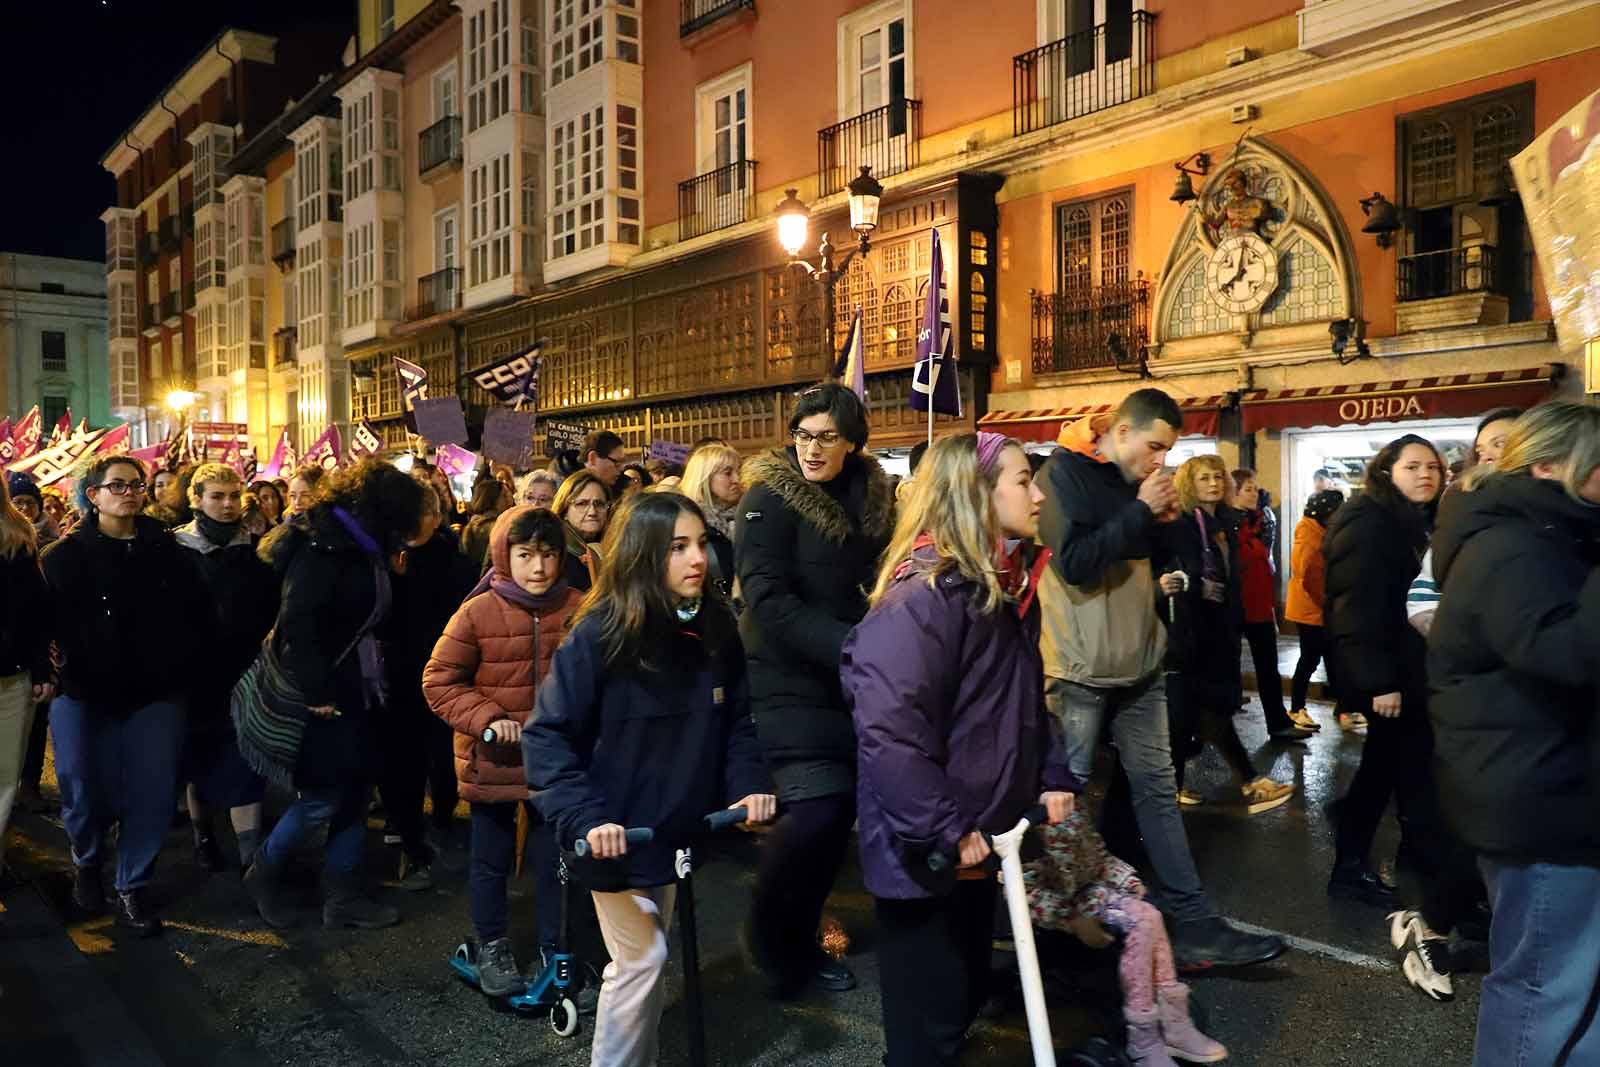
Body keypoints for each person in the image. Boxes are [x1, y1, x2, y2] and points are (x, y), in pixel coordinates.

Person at [842, 433, 1075, 1066]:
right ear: (976, 493)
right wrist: (945, 828)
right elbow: (892, 732)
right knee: (927, 1036)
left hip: (976, 841)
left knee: (960, 1005)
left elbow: (1021, 699)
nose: (1039, 492)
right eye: (1024, 479)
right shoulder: (921, 600)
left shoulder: (1002, 584)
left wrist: (1051, 772)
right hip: (930, 853)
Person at [524, 491, 775, 1067]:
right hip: (612, 831)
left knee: (646, 965)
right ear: (642, 556)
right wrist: (588, 818)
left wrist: (747, 785)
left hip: (673, 827)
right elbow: (547, 736)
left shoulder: (715, 627)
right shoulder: (598, 635)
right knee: (641, 961)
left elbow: (739, 721)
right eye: (678, 548)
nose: (697, 560)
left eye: (701, 544)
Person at [1037, 387, 1284, 970]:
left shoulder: (1141, 486)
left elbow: (1170, 560)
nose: (1159, 461)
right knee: (1061, 801)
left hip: (1143, 663)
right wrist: (1142, 511)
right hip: (1080, 668)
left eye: (1167, 451)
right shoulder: (1063, 473)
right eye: (1153, 447)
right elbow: (1074, 561)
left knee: (1158, 793)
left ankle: (1193, 922)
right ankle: (1058, 925)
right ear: (1120, 431)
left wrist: (1167, 525)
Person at [1428, 403, 1600, 1059]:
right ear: (1550, 466)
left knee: (1572, 985)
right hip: (1539, 800)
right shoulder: (1512, 546)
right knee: (1541, 988)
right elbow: (1567, 652)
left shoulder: (1555, 534)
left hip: (1557, 787)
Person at [738, 382, 895, 997]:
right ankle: (772, 935)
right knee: (816, 812)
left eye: (826, 436)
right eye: (802, 434)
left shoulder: (874, 499)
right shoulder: (769, 499)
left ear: (853, 442)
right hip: (789, 679)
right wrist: (851, 646)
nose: (811, 447)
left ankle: (800, 935)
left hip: (855, 684)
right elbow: (767, 598)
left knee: (836, 823)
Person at [240, 459, 429, 931]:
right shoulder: (324, 547)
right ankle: (264, 871)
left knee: (355, 792)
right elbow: (300, 623)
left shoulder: (361, 545)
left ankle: (343, 896)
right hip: (328, 692)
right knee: (324, 796)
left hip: (359, 686)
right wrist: (317, 691)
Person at [41, 456, 209, 935]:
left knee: (152, 793)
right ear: (93, 496)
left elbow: (195, 617)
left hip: (155, 694)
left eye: (136, 485)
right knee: (81, 788)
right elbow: (42, 622)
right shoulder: (62, 556)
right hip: (83, 692)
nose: (130, 493)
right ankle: (87, 865)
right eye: (117, 485)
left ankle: (132, 884)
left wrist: (182, 667)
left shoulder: (169, 552)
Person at [424, 506, 585, 996]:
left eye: (549, 555)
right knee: (489, 861)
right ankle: (491, 943)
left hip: (554, 767)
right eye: (525, 556)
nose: (538, 568)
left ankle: (555, 946)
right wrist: (488, 719)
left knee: (555, 861)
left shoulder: (579, 607)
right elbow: (440, 681)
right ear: (503, 555)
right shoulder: (476, 611)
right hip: (493, 763)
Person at [1321, 435, 1455, 915]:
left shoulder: (1412, 521)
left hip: (1410, 672)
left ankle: (1393, 862)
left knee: (1399, 770)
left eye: (1433, 468)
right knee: (1385, 772)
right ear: (1386, 472)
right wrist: (1379, 682)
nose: (1425, 475)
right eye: (1413, 466)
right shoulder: (1371, 523)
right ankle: (1350, 868)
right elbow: (1356, 609)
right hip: (1391, 677)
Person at [1025, 808, 1229, 1066]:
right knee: (1142, 924)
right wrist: (1073, 918)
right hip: (1067, 910)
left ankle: (1174, 1021)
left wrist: (1129, 881)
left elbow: (1099, 858)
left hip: (1098, 897)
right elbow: (1022, 887)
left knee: (1151, 917)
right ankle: (1142, 1040)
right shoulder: (1024, 823)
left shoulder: (1069, 806)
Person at [1163, 455, 1296, 813]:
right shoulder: (1182, 524)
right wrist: (1195, 589)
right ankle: (1249, 781)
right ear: (1189, 483)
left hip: (1218, 630)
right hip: (1193, 633)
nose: (1213, 483)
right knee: (1203, 713)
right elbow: (1172, 575)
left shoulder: (1222, 523)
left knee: (1203, 714)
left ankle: (1180, 788)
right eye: (1204, 478)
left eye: (1218, 477)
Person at [172, 464, 279, 873]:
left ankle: (252, 860)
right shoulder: (176, 549)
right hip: (194, 678)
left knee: (246, 762)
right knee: (198, 762)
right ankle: (203, 837)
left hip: (245, 675)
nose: (228, 505)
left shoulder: (256, 549)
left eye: (234, 496)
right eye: (217, 496)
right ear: (196, 499)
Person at [380, 482, 478, 889]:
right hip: (396, 677)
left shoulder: (454, 561)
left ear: (436, 517)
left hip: (442, 674)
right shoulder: (382, 557)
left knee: (441, 756)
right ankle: (408, 835)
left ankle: (440, 822)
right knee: (401, 761)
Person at [1405, 407, 1522, 638]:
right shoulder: (1464, 513)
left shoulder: (1562, 511)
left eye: (1499, 444)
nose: (1486, 457)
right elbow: (1424, 594)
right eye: (1480, 451)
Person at [0, 472, 53, 884]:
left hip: (8, 676)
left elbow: (37, 612)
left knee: (3, 775)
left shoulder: (17, 534)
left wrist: (40, 669)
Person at [1230, 469, 1303, 740]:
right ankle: (1214, 727)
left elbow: (1265, 564)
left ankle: (1278, 723)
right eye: (1248, 488)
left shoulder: (1262, 520)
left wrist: (1272, 610)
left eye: (1255, 488)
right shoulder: (1227, 524)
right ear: (1233, 492)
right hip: (1234, 606)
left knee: (1268, 668)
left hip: (1260, 605)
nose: (1255, 493)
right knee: (1226, 667)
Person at [1283, 489, 1348, 729]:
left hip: (1318, 609)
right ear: (1326, 512)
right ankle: (1297, 709)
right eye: (1338, 510)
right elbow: (1309, 579)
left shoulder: (1321, 532)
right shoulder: (1310, 539)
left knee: (1333, 658)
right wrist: (1327, 604)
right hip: (1310, 611)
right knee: (1310, 659)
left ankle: (1344, 706)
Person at [680, 442, 742, 599]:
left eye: (738, 471)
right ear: (704, 478)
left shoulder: (748, 517)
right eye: (727, 473)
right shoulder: (687, 525)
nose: (737, 479)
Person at [553, 469, 610, 591]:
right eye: (582, 504)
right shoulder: (556, 554)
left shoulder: (614, 548)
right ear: (564, 511)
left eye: (599, 504)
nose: (592, 512)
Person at [460, 476, 509, 571]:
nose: (509, 499)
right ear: (492, 499)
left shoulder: (473, 524)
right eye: (504, 495)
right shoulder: (496, 526)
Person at [9, 472, 60, 548]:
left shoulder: (54, 533)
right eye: (18, 502)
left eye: (30, 502)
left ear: (39, 508)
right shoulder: (5, 538)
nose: (25, 507)